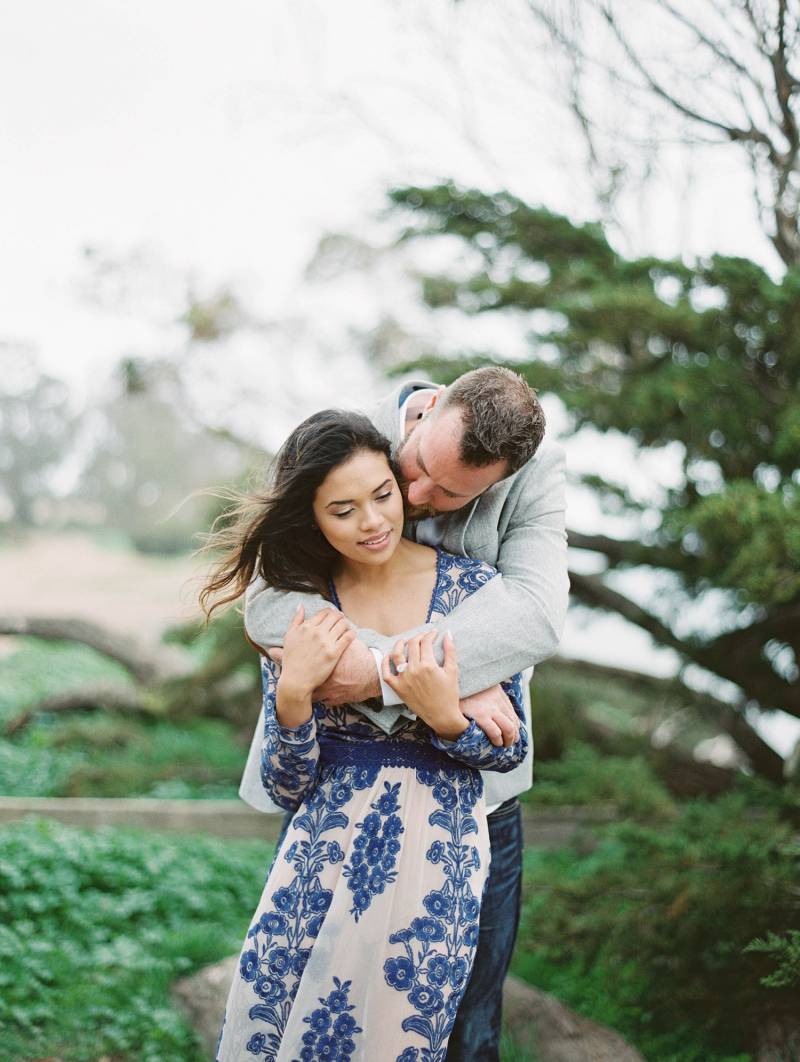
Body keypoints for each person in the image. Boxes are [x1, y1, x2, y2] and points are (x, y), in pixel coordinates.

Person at [239, 367, 569, 1061]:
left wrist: (415, 680)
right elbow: (269, 602)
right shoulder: (344, 444)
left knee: (463, 1018)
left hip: (467, 807)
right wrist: (398, 669)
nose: (416, 500)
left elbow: (534, 618)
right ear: (422, 415)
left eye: (452, 494)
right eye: (412, 471)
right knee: (300, 997)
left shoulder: (533, 481)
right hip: (334, 796)